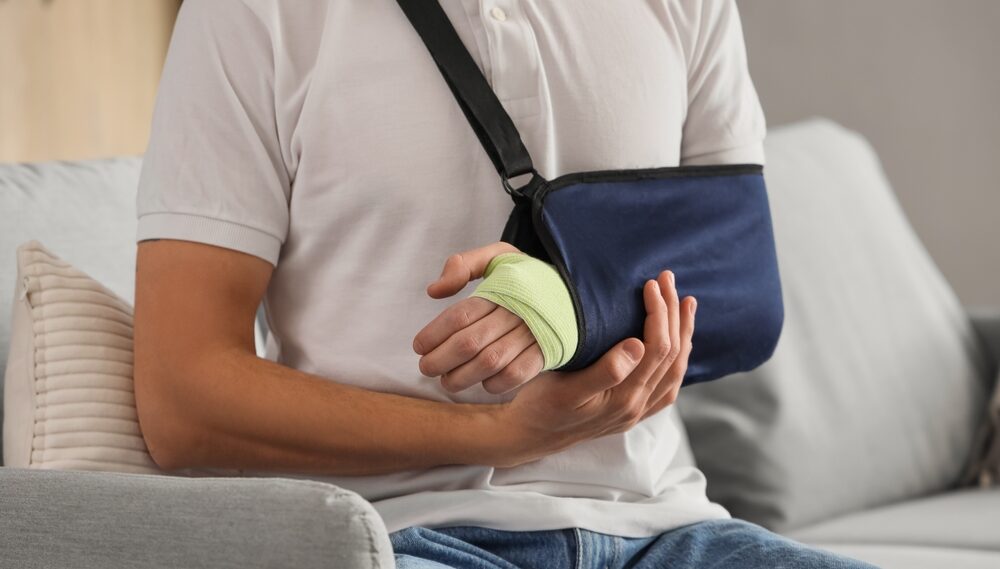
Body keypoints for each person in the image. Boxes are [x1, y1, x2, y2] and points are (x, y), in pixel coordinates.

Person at [133, 1, 878, 567]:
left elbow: (738, 287)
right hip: (397, 534)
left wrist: (562, 306)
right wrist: (496, 434)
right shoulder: (253, 13)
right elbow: (180, 397)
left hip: (671, 528)